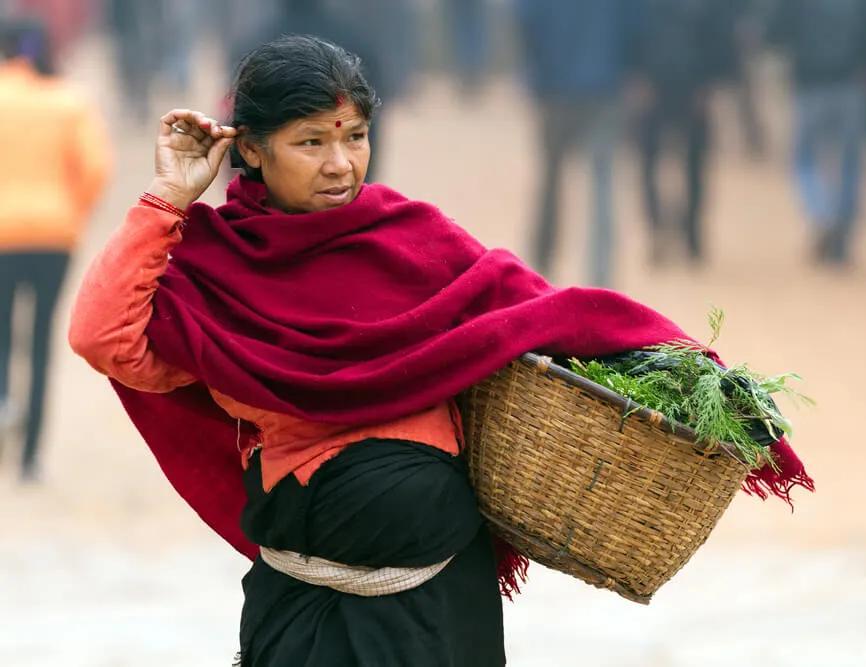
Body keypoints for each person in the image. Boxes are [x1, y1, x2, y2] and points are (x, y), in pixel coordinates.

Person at [68, 35, 810, 665]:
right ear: (252, 150)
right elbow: (101, 334)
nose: (339, 164)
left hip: (436, 611)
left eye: (354, 136)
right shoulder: (211, 269)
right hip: (295, 609)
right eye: (310, 142)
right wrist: (169, 196)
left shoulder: (410, 238)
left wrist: (673, 368)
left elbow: (539, 313)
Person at [0, 19, 108, 480]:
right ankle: (30, 458)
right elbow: (96, 168)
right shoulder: (70, 101)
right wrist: (70, 213)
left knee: (2, 334)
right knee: (42, 339)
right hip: (53, 234)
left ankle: (4, 401)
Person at [514, 0, 643, 287]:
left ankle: (540, 263)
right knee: (602, 182)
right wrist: (633, 69)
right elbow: (636, 21)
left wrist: (535, 73)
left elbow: (526, 19)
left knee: (550, 178)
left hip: (554, 85)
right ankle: (601, 273)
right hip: (605, 84)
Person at [770, 0, 866, 265]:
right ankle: (843, 222)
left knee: (804, 157)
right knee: (851, 161)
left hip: (810, 81)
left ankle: (822, 213)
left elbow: (777, 29)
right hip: (851, 82)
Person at [634, 0, 728, 265]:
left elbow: (718, 36)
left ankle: (691, 232)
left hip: (693, 87)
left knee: (694, 165)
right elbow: (633, 32)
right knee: (650, 164)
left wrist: (709, 85)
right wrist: (637, 77)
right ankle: (657, 230)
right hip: (654, 86)